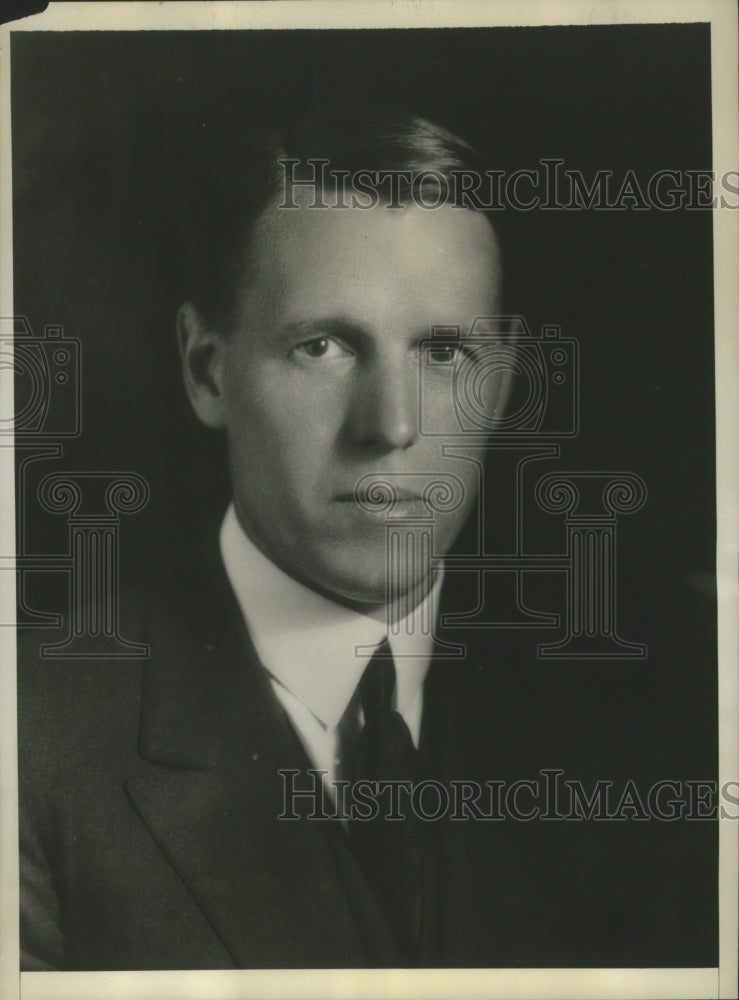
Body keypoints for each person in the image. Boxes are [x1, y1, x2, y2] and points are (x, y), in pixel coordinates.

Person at [17, 111, 705, 972]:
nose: (391, 424)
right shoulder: (31, 739)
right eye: (324, 346)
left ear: (503, 383)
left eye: (444, 351)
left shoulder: (671, 719)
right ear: (206, 369)